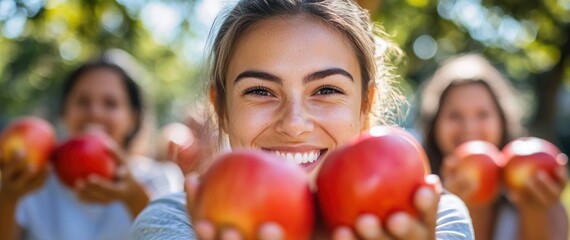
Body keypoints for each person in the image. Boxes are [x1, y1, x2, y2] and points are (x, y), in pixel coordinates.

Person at [130, 0, 475, 239]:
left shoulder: (432, 220)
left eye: (325, 89)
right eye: (260, 92)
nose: (294, 124)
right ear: (220, 108)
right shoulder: (172, 224)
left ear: (365, 105)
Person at [0, 50, 184, 240]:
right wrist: (8, 198)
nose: (95, 113)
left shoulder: (160, 179)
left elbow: (172, 233)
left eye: (110, 103)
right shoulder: (32, 182)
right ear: (64, 112)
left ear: (133, 118)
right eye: (83, 101)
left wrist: (133, 197)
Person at [418, 53, 569, 240]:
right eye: (454, 115)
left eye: (483, 114)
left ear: (502, 120)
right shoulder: (421, 199)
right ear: (435, 125)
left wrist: (533, 212)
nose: (470, 128)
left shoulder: (541, 193)